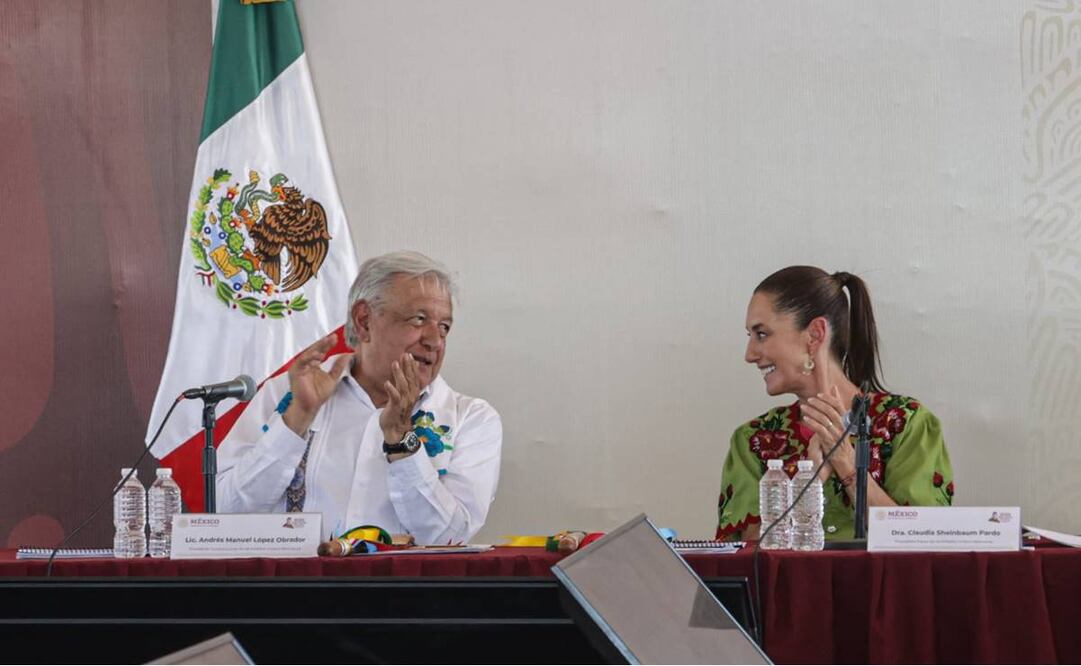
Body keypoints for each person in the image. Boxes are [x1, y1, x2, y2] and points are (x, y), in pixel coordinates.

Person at [216, 251, 502, 544]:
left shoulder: (471, 419)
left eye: (444, 327)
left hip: (407, 589)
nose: (435, 341)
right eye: (419, 319)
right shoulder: (286, 394)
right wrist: (296, 420)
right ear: (364, 321)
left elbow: (450, 538)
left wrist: (402, 441)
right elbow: (224, 516)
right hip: (296, 588)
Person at [716, 266, 954, 541]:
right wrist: (811, 479)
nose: (750, 354)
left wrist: (846, 463)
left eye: (761, 334)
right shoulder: (754, 440)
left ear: (815, 335)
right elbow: (748, 558)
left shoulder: (905, 424)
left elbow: (926, 541)